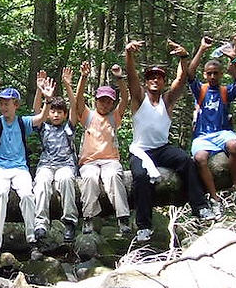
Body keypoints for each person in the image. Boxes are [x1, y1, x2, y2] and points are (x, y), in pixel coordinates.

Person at [127, 39, 208, 242]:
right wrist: (129, 55)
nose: (155, 80)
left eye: (159, 78)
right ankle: (144, 226)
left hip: (162, 149)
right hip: (141, 150)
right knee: (141, 178)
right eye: (151, 78)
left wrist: (183, 57)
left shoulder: (167, 101)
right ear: (147, 82)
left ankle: (200, 207)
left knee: (186, 162)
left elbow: (180, 81)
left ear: (163, 82)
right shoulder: (139, 99)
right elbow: (131, 79)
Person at [0, 74, 50, 261]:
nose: (3, 107)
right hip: (0, 168)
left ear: (16, 105)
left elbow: (41, 118)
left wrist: (46, 98)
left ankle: (33, 242)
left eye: (7, 103)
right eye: (2, 103)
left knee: (28, 196)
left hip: (20, 168)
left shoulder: (23, 122)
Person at [187, 35, 236, 217]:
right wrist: (202, 49)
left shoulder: (225, 91)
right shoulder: (201, 90)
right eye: (209, 73)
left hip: (222, 133)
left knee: (234, 145)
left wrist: (233, 56)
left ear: (221, 74)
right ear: (205, 75)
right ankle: (214, 198)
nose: (212, 76)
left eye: (216, 73)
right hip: (203, 136)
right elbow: (189, 74)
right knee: (200, 158)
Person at [72, 61, 131, 237]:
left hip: (110, 161)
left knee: (113, 176)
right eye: (102, 101)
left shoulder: (114, 117)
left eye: (108, 102)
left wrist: (120, 78)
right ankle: (88, 218)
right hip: (89, 162)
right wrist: (83, 77)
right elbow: (78, 99)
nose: (105, 104)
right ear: (96, 101)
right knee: (89, 179)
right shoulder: (88, 116)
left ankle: (123, 218)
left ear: (112, 104)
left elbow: (126, 99)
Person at [32, 70, 79, 244]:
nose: (56, 115)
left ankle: (69, 222)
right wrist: (40, 90)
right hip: (46, 165)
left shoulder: (69, 127)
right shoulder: (44, 126)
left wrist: (68, 85)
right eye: (53, 111)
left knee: (66, 180)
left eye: (60, 112)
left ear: (64, 115)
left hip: (65, 165)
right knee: (42, 183)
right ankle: (41, 224)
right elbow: (37, 110)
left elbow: (75, 107)